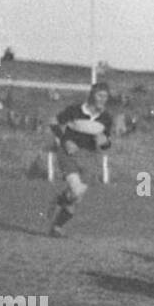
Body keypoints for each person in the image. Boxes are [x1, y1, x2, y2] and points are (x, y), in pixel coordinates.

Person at [47, 83, 114, 237]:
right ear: (91, 95)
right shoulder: (74, 110)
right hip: (68, 154)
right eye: (100, 95)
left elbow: (106, 143)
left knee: (76, 198)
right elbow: (53, 122)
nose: (103, 99)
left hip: (90, 158)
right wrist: (65, 140)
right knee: (76, 190)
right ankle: (58, 216)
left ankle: (57, 225)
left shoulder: (106, 118)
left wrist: (104, 142)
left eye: (105, 97)